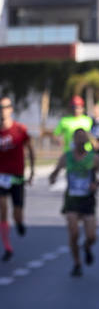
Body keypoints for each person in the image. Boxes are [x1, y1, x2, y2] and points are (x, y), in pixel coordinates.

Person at [49, 128, 99, 276]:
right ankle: (77, 263)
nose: (81, 141)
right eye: (78, 138)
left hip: (88, 200)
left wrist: (97, 184)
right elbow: (55, 172)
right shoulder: (67, 157)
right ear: (74, 141)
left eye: (83, 138)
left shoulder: (94, 158)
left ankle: (87, 247)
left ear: (87, 141)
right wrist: (53, 177)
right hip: (72, 200)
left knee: (91, 236)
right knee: (73, 233)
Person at [0, 95, 35, 261]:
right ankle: (7, 246)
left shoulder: (19, 129)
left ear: (11, 109)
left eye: (5, 107)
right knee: (2, 209)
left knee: (17, 212)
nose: (3, 111)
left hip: (17, 175)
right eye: (0, 108)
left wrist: (32, 171)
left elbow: (30, 149)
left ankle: (20, 223)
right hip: (1, 176)